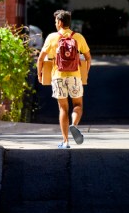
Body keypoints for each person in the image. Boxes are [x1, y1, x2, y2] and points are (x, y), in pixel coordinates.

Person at [36, 9, 91, 149]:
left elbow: (41, 59)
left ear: (60, 22)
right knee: (78, 105)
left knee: (63, 108)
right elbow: (88, 58)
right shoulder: (78, 37)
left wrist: (39, 74)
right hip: (75, 76)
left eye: (56, 21)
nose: (55, 24)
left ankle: (65, 141)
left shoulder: (52, 37)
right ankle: (74, 124)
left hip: (58, 76)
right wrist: (86, 72)